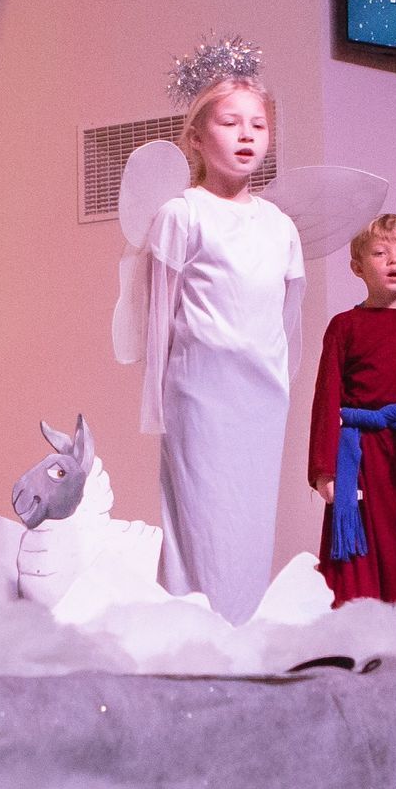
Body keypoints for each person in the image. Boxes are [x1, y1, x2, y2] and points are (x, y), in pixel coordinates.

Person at [141, 72, 305, 624]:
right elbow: (159, 317)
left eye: (258, 125)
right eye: (230, 122)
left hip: (260, 400)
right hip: (201, 395)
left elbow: (288, 318)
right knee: (201, 519)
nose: (246, 136)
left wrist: (279, 386)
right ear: (195, 136)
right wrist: (161, 401)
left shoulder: (280, 225)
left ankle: (242, 633)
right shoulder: (181, 215)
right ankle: (197, 637)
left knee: (249, 525)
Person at [307, 213, 396, 605]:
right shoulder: (343, 326)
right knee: (356, 550)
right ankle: (355, 642)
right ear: (357, 266)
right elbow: (326, 398)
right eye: (380, 253)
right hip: (358, 457)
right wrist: (323, 470)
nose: (393, 261)